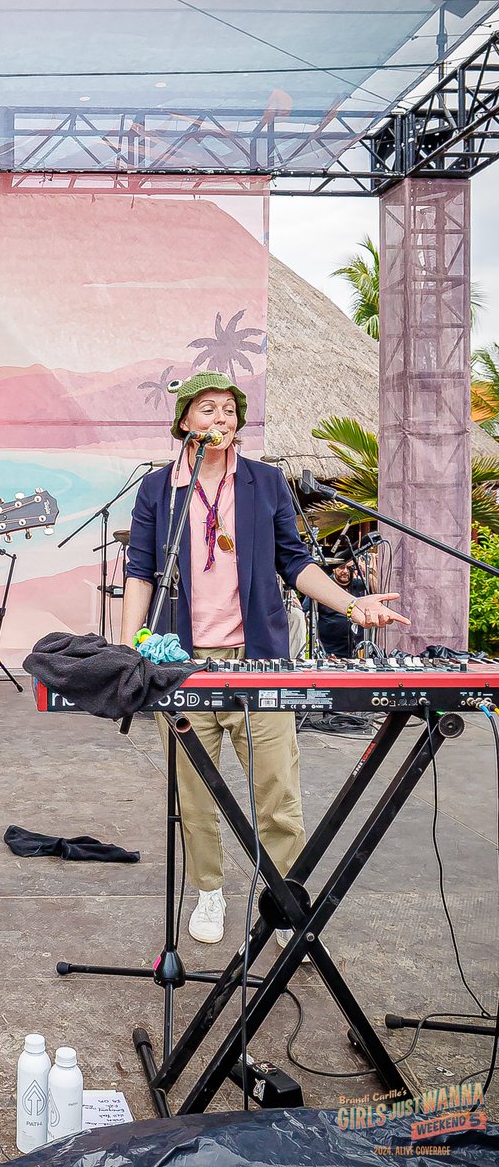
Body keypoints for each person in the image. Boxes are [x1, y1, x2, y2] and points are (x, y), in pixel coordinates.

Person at [120, 372, 408, 946]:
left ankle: (283, 895)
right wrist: (131, 651)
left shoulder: (265, 482)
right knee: (193, 792)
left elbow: (295, 563)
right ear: (185, 423)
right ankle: (207, 890)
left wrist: (352, 606)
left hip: (259, 661)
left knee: (277, 790)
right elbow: (140, 572)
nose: (220, 420)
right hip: (179, 660)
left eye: (228, 410)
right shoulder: (157, 490)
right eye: (207, 410)